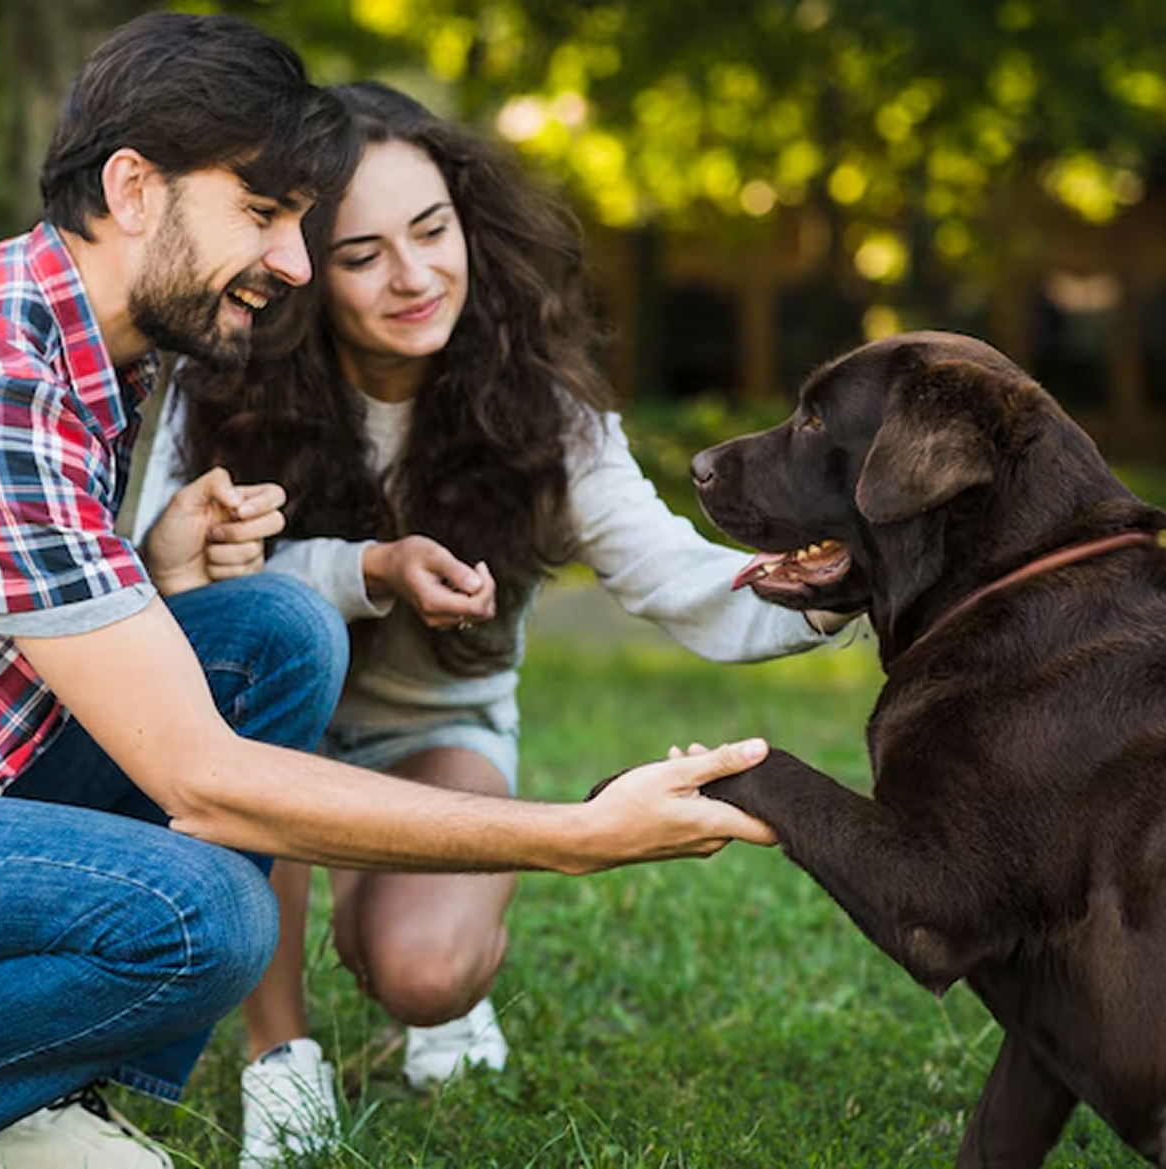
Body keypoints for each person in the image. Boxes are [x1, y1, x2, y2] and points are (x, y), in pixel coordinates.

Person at [0, 16, 781, 1169]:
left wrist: (146, 567)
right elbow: (201, 781)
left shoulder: (93, 344)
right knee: (209, 916)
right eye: (263, 214)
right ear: (134, 188)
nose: (294, 263)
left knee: (276, 630)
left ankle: (20, 1091)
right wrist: (579, 834)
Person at [131, 81, 859, 1167]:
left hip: (438, 732)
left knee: (424, 970)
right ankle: (281, 1057)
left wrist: (838, 581)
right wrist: (366, 566)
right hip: (261, 726)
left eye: (432, 231)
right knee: (264, 671)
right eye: (363, 253)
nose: (416, 275)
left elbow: (674, 575)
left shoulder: (543, 410)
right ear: (297, 271)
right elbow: (151, 581)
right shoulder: (217, 384)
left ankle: (428, 969)